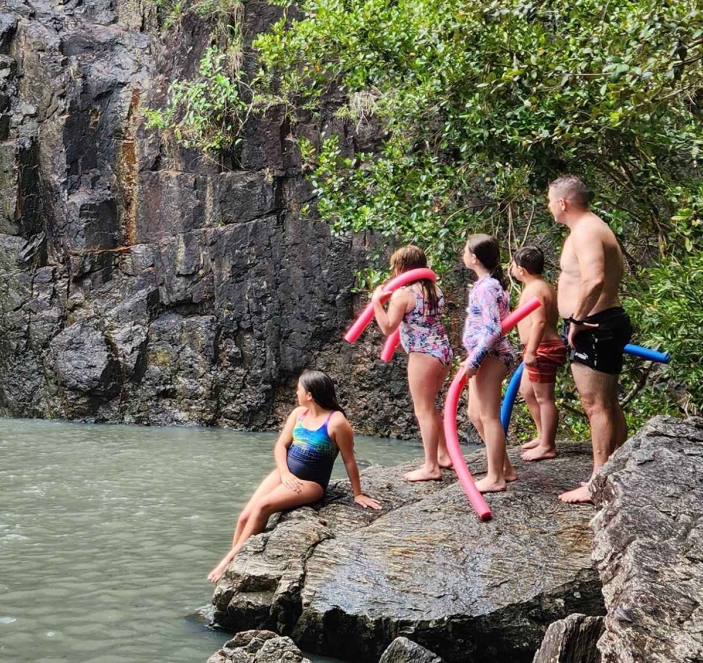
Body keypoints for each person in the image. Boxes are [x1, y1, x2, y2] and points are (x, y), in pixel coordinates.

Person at [207, 371, 381, 583]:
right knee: (245, 516)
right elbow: (281, 445)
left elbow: (349, 460)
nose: (295, 392)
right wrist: (284, 473)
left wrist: (358, 494)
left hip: (310, 482)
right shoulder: (299, 413)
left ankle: (227, 562)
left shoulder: (337, 422)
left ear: (309, 394)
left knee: (263, 506)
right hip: (285, 473)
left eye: (299, 389)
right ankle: (235, 558)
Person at [547, 174, 631, 504]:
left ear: (563, 203)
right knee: (607, 403)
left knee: (596, 406)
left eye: (550, 201)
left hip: (594, 325)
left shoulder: (585, 231)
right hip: (601, 322)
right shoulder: (591, 227)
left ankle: (598, 480)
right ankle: (617, 469)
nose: (549, 207)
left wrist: (577, 319)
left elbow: (594, 279)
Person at [370, 245, 452, 482]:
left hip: (423, 355)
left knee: (423, 410)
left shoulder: (402, 294)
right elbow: (421, 321)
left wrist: (377, 302)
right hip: (443, 351)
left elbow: (387, 326)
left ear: (401, 268)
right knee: (431, 406)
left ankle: (431, 467)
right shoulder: (434, 289)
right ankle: (444, 455)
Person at [461, 234, 517, 494]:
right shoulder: (485, 284)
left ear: (474, 257)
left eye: (465, 250)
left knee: (489, 416)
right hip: (483, 356)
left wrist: (475, 360)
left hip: (491, 357)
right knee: (475, 413)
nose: (463, 253)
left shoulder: (487, 287)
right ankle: (504, 467)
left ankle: (496, 477)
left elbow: (493, 330)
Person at [510, 245, 562, 462]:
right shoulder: (540, 286)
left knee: (544, 397)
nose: (511, 268)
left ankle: (548, 445)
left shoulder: (536, 289)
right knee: (527, 391)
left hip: (543, 348)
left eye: (512, 265)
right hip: (537, 347)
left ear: (521, 270)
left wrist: (531, 350)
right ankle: (542, 435)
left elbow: (540, 320)